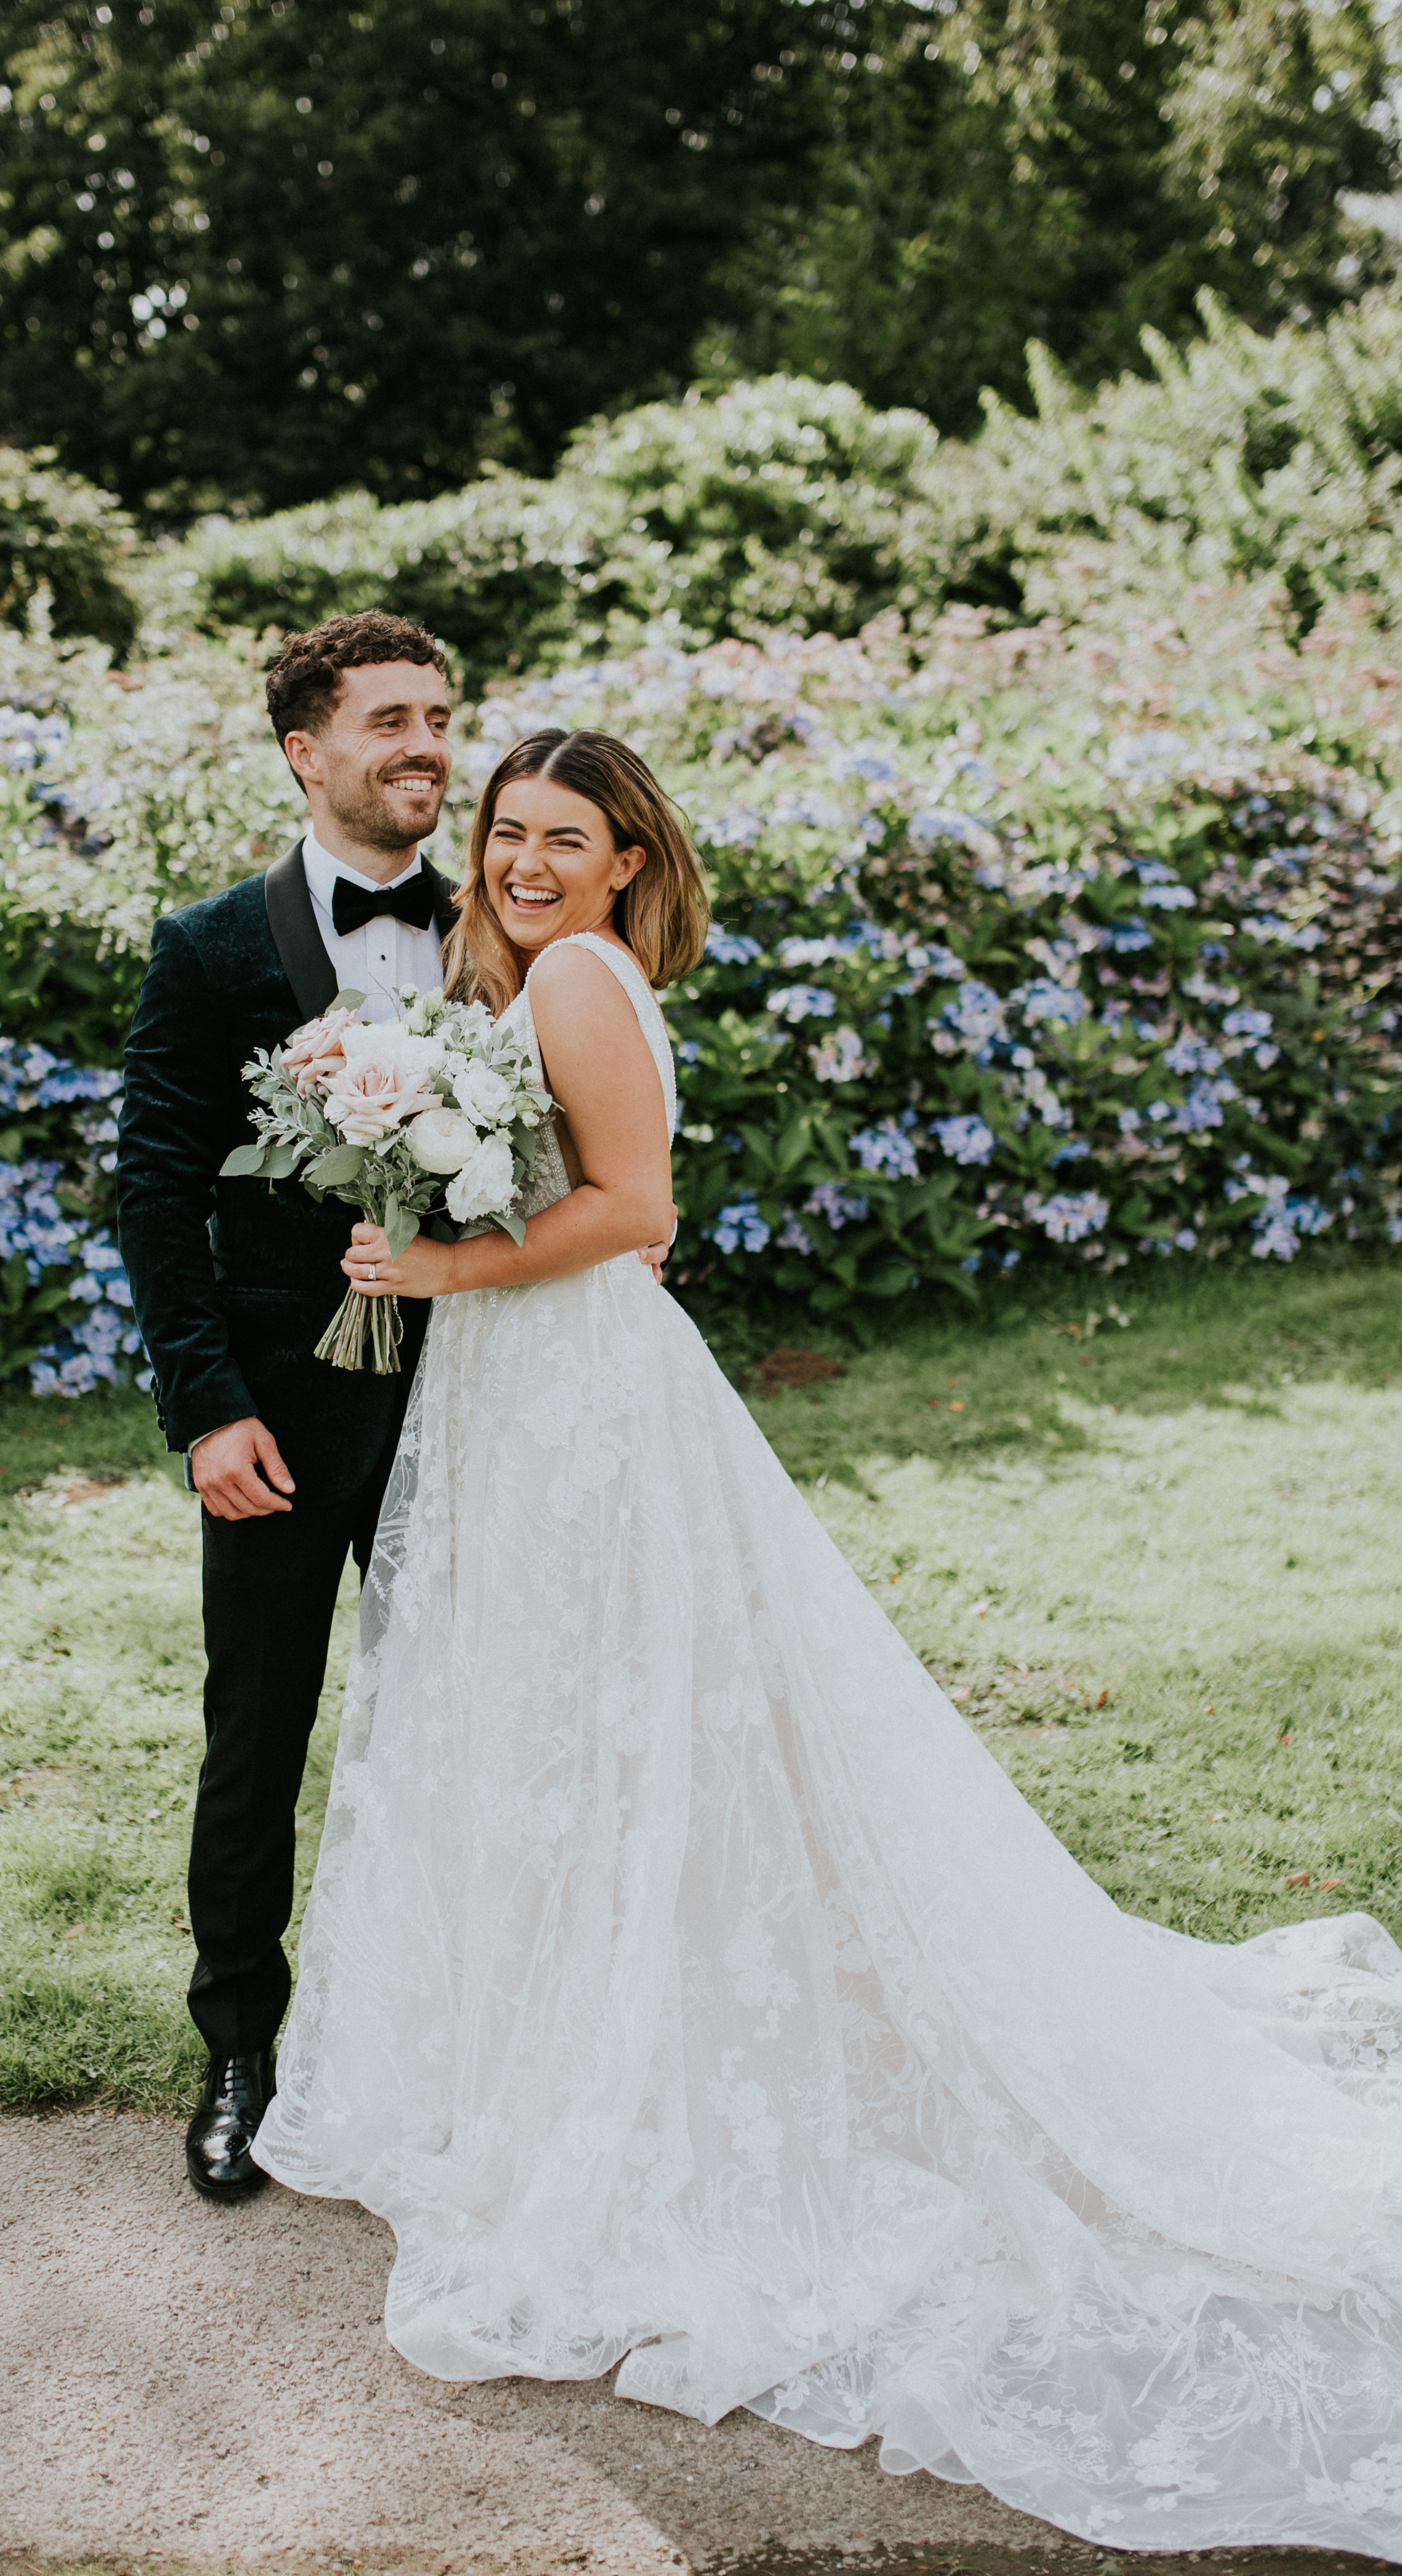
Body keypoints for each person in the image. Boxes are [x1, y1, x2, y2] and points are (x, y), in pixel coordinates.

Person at [255, 724, 1402, 2557]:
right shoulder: (541, 966)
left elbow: (635, 1214)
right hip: (534, 1392)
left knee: (608, 1723)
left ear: (629, 857)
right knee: (562, 1728)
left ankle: (625, 2058)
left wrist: (436, 1265)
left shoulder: (569, 972)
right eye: (508, 832)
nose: (526, 860)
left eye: (567, 837)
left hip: (576, 1399)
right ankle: (562, 2035)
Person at [117, 617, 670, 2201]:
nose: (427, 747)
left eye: (440, 719)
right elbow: (156, 1195)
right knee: (257, 1733)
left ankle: (478, 2048)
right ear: (307, 749)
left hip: (483, 1417)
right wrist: (207, 1410)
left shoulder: (504, 924)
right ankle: (238, 2048)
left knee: (489, 1731)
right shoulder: (213, 945)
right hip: (282, 1420)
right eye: (390, 722)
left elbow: (593, 1149)